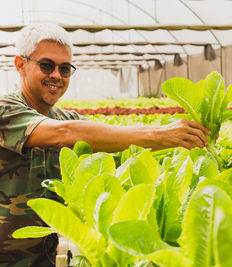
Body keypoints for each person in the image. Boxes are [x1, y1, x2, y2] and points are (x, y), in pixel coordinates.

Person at [0, 23, 210, 266]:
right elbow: (63, 134)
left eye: (65, 68)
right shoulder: (6, 109)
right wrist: (156, 133)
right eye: (46, 65)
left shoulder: (68, 119)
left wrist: (184, 142)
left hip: (42, 258)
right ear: (20, 65)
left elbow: (112, 142)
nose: (56, 75)